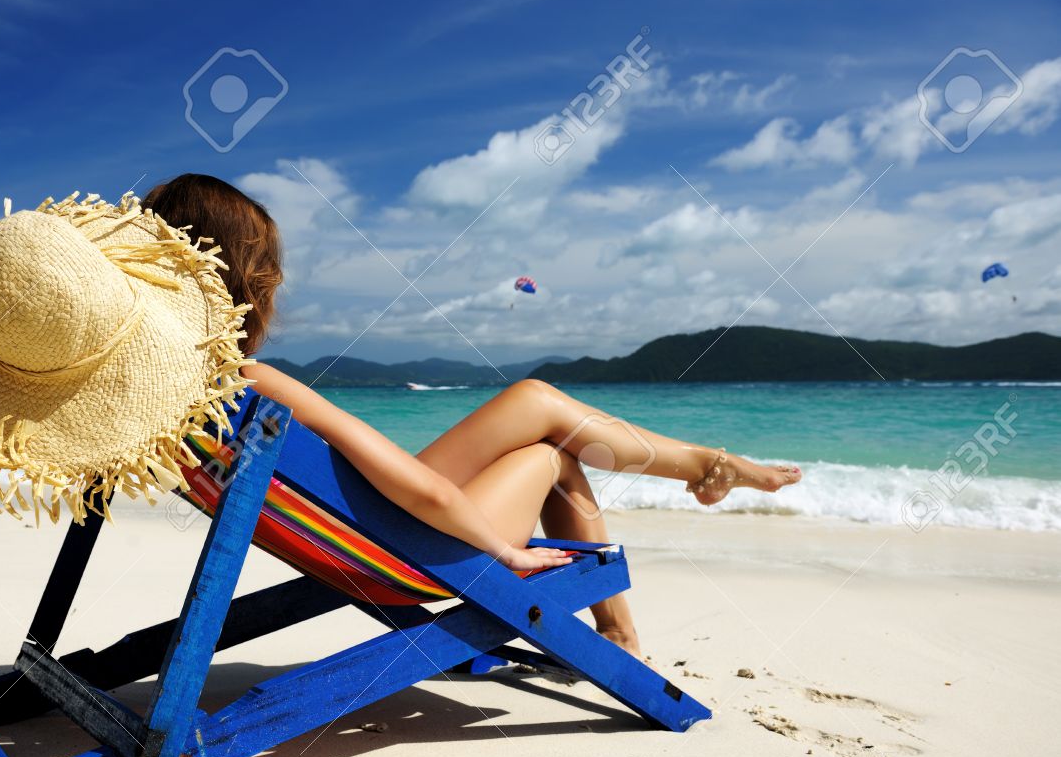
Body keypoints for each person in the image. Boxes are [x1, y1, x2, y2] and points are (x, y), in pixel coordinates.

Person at [143, 174, 802, 658]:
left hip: (357, 535)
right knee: (549, 443)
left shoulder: (162, 393)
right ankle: (689, 497)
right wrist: (504, 549)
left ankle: (694, 487)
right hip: (400, 553)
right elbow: (420, 488)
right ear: (247, 283)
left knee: (536, 404)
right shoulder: (253, 379)